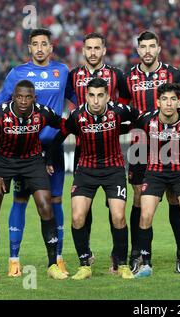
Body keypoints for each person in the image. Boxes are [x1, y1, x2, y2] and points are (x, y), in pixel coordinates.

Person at [0, 28, 71, 276]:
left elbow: (77, 99)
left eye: (44, 44)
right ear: (30, 48)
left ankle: (57, 258)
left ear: (51, 47)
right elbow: (0, 107)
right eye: (35, 44)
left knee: (55, 202)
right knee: (20, 201)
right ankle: (14, 259)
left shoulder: (62, 71)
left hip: (53, 148)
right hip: (23, 149)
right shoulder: (17, 73)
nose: (39, 48)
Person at [47, 78, 139, 280]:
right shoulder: (77, 115)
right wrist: (47, 158)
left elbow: (139, 118)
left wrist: (123, 129)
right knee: (78, 217)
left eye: (100, 95)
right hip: (86, 171)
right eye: (91, 95)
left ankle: (122, 265)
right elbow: (61, 135)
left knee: (118, 217)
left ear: (107, 96)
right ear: (86, 96)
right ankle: (84, 264)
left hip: (113, 170)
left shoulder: (118, 110)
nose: (96, 101)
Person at [0, 80, 67, 281]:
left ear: (34, 97)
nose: (24, 101)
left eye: (28, 97)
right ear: (13, 97)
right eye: (20, 97)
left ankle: (53, 265)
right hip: (3, 162)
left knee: (46, 206)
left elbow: (64, 127)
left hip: (33, 161)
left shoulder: (43, 112)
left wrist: (50, 155)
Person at [122, 30, 180, 274]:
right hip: (141, 143)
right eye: (143, 47)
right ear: (138, 49)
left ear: (159, 48)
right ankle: (138, 255)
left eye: (152, 46)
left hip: (172, 144)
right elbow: (124, 109)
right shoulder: (128, 76)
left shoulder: (174, 74)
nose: (148, 51)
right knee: (139, 200)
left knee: (176, 198)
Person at [67, 32, 129, 271]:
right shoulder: (74, 76)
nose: (92, 52)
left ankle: (119, 259)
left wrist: (113, 128)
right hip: (84, 154)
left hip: (111, 154)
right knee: (82, 210)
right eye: (88, 48)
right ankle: (86, 257)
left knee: (117, 213)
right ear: (83, 51)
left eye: (97, 48)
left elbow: (126, 104)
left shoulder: (116, 75)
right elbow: (67, 103)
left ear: (104, 50)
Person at [132, 83, 180, 279]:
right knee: (145, 216)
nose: (169, 103)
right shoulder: (147, 120)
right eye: (164, 99)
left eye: (173, 99)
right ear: (158, 102)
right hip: (154, 173)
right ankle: (146, 264)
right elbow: (124, 124)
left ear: (179, 102)